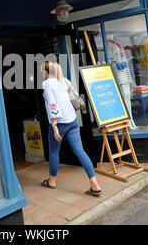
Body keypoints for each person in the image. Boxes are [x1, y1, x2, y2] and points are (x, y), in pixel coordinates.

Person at [40, 61, 102, 197]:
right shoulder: (64, 80)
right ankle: (95, 184)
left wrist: (55, 127)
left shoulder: (47, 84)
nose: (42, 75)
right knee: (80, 151)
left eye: (42, 72)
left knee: (54, 152)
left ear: (46, 72)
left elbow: (52, 104)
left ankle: (52, 181)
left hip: (60, 122)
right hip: (73, 120)